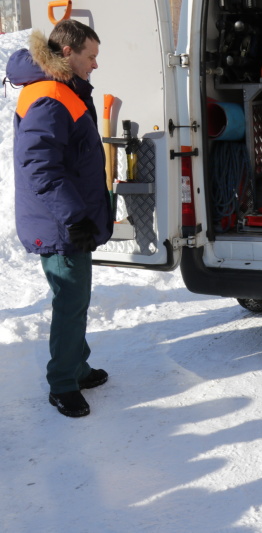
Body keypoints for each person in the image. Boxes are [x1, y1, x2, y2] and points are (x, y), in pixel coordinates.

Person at [7, 20, 113, 418]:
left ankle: (77, 367)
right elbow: (40, 166)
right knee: (70, 302)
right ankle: (62, 384)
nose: (95, 65)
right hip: (59, 222)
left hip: (66, 217)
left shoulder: (61, 89)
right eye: (91, 57)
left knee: (77, 298)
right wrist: (74, 217)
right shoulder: (50, 95)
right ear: (68, 53)